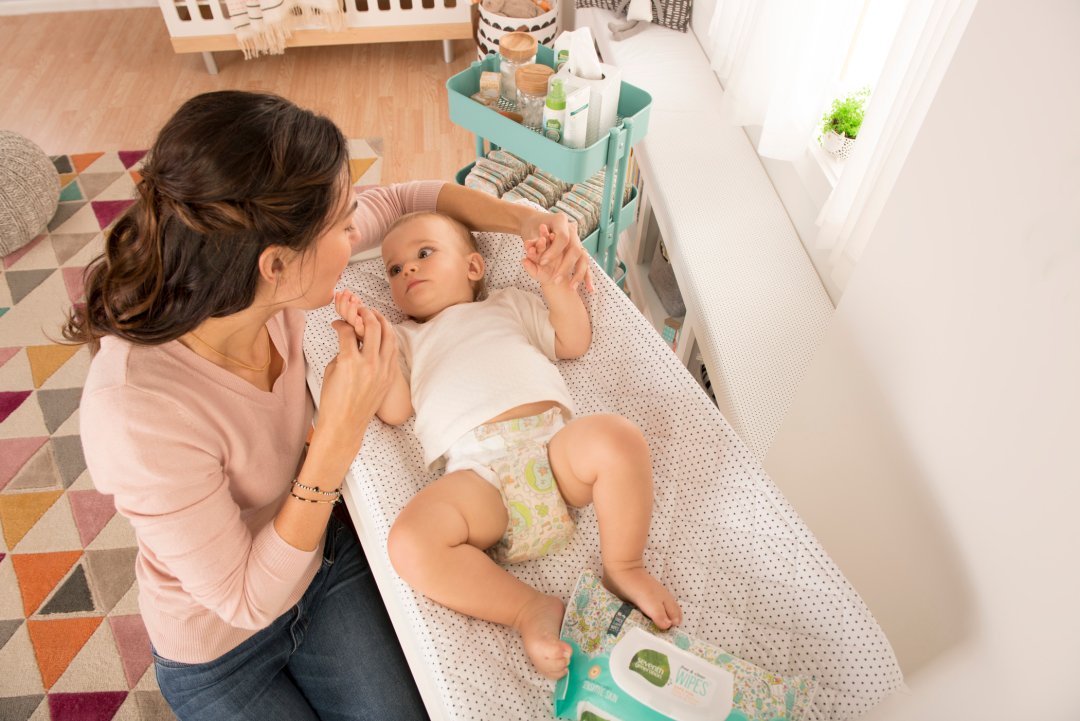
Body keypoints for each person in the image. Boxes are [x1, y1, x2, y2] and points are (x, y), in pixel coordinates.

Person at [62, 90, 591, 721]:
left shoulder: (252, 279)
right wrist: (337, 431)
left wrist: (522, 219)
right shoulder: (135, 412)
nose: (359, 233)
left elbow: (402, 201)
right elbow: (245, 598)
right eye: (344, 227)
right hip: (219, 646)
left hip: (323, 566)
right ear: (277, 266)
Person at [333, 210, 682, 681]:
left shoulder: (508, 304)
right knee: (410, 542)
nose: (408, 269)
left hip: (554, 452)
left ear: (474, 268)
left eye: (424, 253)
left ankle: (624, 564)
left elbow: (572, 340)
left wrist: (558, 287)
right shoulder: (405, 338)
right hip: (480, 481)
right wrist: (368, 341)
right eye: (394, 269)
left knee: (618, 437)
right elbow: (394, 409)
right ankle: (527, 610)